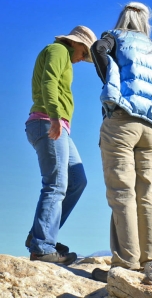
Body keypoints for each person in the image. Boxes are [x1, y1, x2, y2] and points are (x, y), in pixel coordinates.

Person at [90, 2, 152, 282]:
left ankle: (125, 264)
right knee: (147, 193)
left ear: (123, 18)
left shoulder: (116, 36)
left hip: (123, 119)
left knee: (122, 191)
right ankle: (151, 259)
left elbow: (97, 48)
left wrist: (109, 80)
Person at [25, 25, 97, 265]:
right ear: (76, 43)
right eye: (84, 53)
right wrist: (55, 116)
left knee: (78, 180)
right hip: (47, 121)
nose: (82, 59)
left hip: (58, 126)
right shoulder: (57, 50)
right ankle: (42, 246)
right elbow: (48, 82)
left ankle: (40, 234)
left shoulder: (64, 55)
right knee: (56, 183)